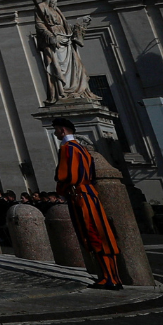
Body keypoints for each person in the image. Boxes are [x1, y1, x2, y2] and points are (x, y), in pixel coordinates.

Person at [52, 118, 126, 289]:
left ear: (62, 130)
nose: (55, 133)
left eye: (56, 130)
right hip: (91, 194)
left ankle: (109, 279)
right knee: (104, 234)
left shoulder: (67, 149)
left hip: (80, 196)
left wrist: (61, 188)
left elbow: (66, 176)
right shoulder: (83, 149)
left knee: (92, 234)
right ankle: (114, 277)